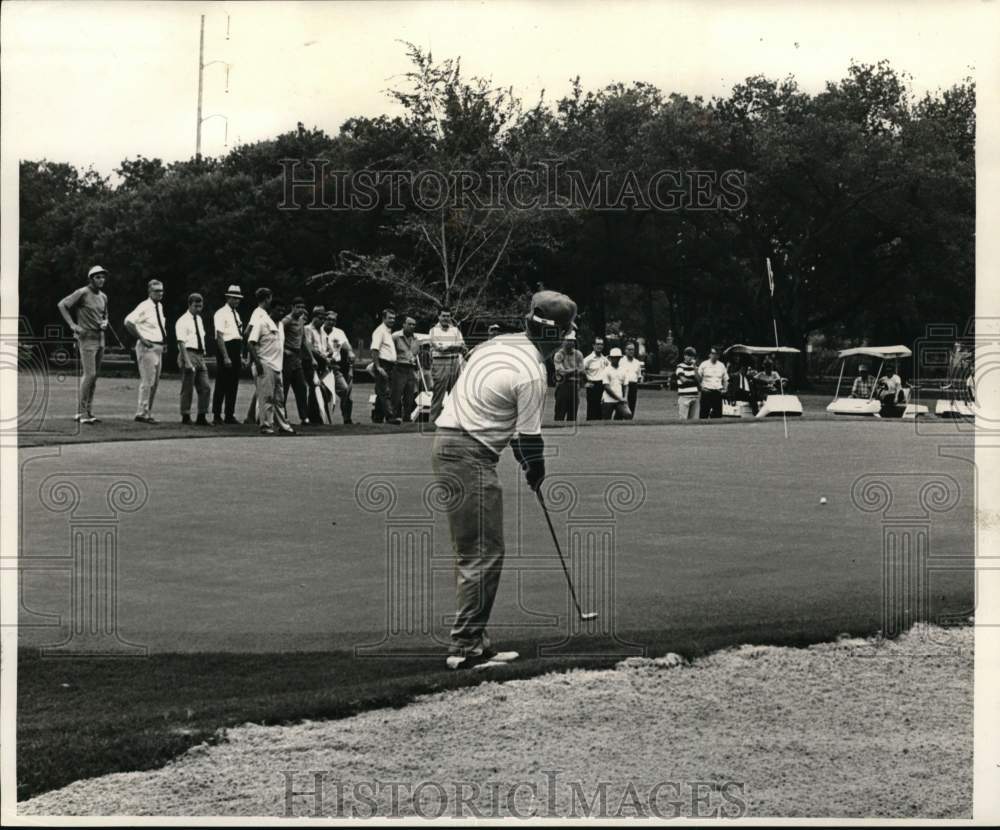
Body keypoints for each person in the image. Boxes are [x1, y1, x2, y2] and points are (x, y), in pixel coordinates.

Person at [433, 289, 577, 670]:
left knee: (478, 550)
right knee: (482, 552)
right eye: (563, 334)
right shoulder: (532, 372)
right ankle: (464, 648)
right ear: (552, 335)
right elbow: (529, 440)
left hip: (453, 443)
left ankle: (477, 643)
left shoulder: (499, 344)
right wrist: (536, 470)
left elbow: (501, 415)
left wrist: (524, 457)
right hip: (468, 454)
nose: (564, 340)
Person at [57, 264, 109, 424]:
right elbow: (62, 305)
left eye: (103, 277)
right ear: (91, 278)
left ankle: (88, 411)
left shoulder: (104, 297)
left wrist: (105, 322)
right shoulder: (82, 292)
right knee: (89, 374)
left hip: (100, 337)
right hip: (86, 337)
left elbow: (105, 314)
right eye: (98, 277)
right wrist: (73, 325)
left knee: (95, 376)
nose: (101, 280)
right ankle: (81, 412)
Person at [247, 288, 294, 435]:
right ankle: (266, 425)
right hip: (265, 364)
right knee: (266, 397)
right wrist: (258, 363)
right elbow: (251, 343)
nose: (281, 313)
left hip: (277, 366)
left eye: (283, 311)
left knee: (279, 399)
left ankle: (283, 426)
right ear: (272, 310)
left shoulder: (280, 325)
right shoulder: (262, 323)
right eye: (279, 310)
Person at [124, 279, 168, 423]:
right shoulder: (145, 306)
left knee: (154, 382)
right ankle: (142, 413)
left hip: (158, 347)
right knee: (147, 381)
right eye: (156, 291)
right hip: (148, 347)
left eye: (161, 290)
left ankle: (147, 411)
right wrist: (142, 339)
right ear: (149, 292)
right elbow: (128, 322)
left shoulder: (159, 306)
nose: (160, 293)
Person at [174, 292, 211, 425]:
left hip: (200, 355)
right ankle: (185, 415)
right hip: (189, 353)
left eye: (200, 306)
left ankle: (202, 415)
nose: (198, 309)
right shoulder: (182, 320)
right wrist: (187, 361)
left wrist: (203, 354)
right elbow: (181, 342)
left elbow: (201, 338)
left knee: (205, 387)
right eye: (196, 306)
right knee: (188, 387)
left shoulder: (199, 320)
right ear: (190, 305)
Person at [211, 284, 245, 425]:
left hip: (236, 347)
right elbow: (219, 336)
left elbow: (239, 335)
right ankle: (217, 414)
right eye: (234, 298)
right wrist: (225, 356)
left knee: (233, 384)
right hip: (226, 347)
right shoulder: (221, 313)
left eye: (238, 299)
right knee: (222, 383)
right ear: (228, 298)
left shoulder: (236, 314)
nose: (237, 301)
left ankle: (229, 414)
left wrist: (240, 355)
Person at [429, 307, 467, 423]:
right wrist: (453, 347)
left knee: (455, 392)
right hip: (441, 362)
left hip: (454, 361)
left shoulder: (455, 330)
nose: (446, 318)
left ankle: (453, 421)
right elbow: (440, 348)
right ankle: (433, 420)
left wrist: (451, 347)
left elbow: (462, 345)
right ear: (439, 316)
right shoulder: (433, 331)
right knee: (439, 392)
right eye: (444, 316)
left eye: (448, 316)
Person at [281, 298, 312, 425]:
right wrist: (283, 350)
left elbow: (303, 340)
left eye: (302, 307)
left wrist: (311, 357)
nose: (300, 309)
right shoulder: (286, 320)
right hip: (287, 357)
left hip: (297, 357)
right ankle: (283, 416)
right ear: (292, 307)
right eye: (298, 307)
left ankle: (304, 417)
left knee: (301, 387)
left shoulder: (301, 321)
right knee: (284, 388)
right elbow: (278, 336)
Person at [324, 310, 355, 424]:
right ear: (324, 319)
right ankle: (319, 420)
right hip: (322, 367)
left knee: (345, 390)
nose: (331, 322)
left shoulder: (339, 332)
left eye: (334, 320)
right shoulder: (319, 331)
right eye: (329, 319)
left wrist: (350, 352)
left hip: (334, 367)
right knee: (323, 394)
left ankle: (347, 418)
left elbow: (346, 345)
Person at [304, 305, 332, 423]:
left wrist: (329, 353)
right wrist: (321, 357)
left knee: (323, 389)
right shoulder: (308, 329)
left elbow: (328, 346)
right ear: (314, 317)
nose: (322, 321)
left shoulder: (323, 331)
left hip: (323, 363)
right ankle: (312, 416)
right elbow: (309, 346)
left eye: (323, 318)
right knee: (314, 387)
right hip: (312, 362)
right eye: (320, 318)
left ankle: (319, 416)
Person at [370, 308, 398, 423]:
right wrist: (378, 366)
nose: (392, 320)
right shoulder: (380, 331)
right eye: (390, 318)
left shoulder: (388, 332)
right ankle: (390, 417)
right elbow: (374, 350)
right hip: (383, 364)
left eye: (394, 318)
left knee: (381, 391)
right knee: (385, 391)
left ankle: (377, 417)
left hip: (389, 365)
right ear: (383, 318)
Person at [391, 316, 420, 423]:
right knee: (396, 394)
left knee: (409, 395)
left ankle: (407, 417)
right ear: (404, 324)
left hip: (410, 369)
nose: (412, 326)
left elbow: (415, 354)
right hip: (398, 367)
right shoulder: (395, 336)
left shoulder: (416, 339)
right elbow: (390, 352)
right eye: (409, 324)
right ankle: (393, 417)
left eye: (414, 325)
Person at [552, 332, 585, 421]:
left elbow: (582, 370)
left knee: (573, 413)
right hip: (563, 385)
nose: (571, 343)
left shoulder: (578, 354)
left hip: (574, 385)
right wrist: (574, 370)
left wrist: (569, 371)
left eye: (572, 341)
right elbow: (561, 372)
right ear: (563, 341)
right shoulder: (559, 355)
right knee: (560, 412)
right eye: (568, 341)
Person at [583, 337, 609, 421]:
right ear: (593, 346)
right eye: (597, 344)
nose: (599, 346)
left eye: (601, 344)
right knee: (592, 408)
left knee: (601, 408)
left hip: (602, 385)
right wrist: (585, 383)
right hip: (592, 385)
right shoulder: (588, 359)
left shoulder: (605, 359)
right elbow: (580, 372)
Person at [601, 347, 632, 420]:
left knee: (625, 417)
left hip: (620, 400)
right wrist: (619, 398)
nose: (616, 359)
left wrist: (625, 398)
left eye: (618, 358)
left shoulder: (623, 370)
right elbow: (606, 387)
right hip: (608, 400)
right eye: (614, 358)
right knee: (606, 420)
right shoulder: (606, 370)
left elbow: (626, 385)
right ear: (610, 358)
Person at [697, 346, 728, 419]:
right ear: (709, 354)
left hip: (717, 392)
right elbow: (698, 378)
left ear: (718, 355)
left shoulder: (721, 365)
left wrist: (725, 389)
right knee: (703, 415)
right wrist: (701, 388)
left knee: (717, 416)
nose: (714, 355)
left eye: (716, 354)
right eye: (713, 353)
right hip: (706, 392)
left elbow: (726, 379)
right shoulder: (704, 364)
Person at [675, 346, 700, 420]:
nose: (689, 357)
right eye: (688, 355)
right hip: (684, 396)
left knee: (692, 420)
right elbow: (683, 380)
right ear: (684, 356)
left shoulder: (695, 367)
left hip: (695, 396)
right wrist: (694, 381)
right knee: (683, 419)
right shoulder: (680, 366)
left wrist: (695, 367)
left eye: (691, 356)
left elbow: (698, 379)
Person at [621, 342, 644, 416]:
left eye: (633, 350)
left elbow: (639, 376)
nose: (631, 351)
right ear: (625, 350)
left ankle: (630, 420)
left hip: (633, 385)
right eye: (629, 349)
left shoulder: (636, 362)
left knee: (632, 403)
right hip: (623, 385)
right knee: (622, 404)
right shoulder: (621, 361)